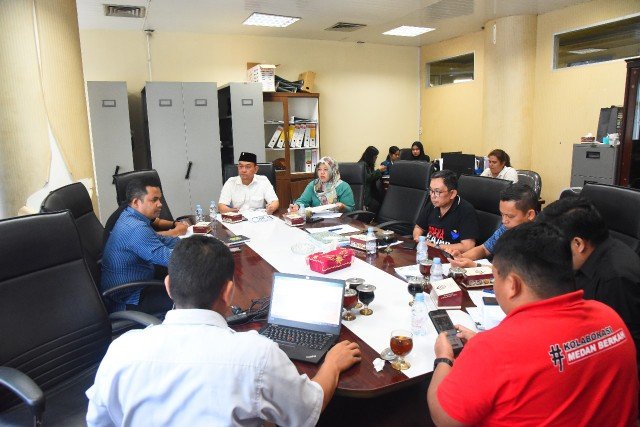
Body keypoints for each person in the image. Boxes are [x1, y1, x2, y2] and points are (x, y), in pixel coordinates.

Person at [87, 236, 362, 426]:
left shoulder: (120, 351)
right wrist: (332, 364)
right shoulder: (257, 355)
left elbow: (99, 421)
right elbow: (306, 412)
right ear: (229, 292)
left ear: (168, 286)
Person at [427, 222, 638, 426]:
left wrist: (444, 358)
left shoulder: (495, 348)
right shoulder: (609, 317)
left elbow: (443, 418)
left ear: (513, 285)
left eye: (495, 277)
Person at [538, 197, 640, 370]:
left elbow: (618, 347)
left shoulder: (614, 278)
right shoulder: (588, 257)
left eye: (553, 246)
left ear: (578, 244)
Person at [101, 178, 178, 312]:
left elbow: (162, 240)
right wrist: (202, 254)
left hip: (139, 281)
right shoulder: (136, 228)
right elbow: (171, 259)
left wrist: (195, 242)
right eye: (154, 200)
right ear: (136, 202)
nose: (160, 204)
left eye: (160, 199)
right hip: (130, 297)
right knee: (190, 296)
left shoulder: (130, 216)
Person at [447, 183, 538, 266]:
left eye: (510, 216)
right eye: (502, 214)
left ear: (530, 215)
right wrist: (461, 258)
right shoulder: (506, 228)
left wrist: (475, 266)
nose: (504, 221)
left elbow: (513, 273)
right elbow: (484, 249)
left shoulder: (539, 239)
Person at [413, 170, 479, 252]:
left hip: (449, 256)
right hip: (427, 252)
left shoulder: (466, 210)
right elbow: (418, 227)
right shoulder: (432, 205)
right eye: (431, 190)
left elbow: (467, 246)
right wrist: (418, 238)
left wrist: (436, 246)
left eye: (437, 191)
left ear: (452, 194)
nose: (433, 196)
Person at [289, 156, 355, 213]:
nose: (322, 172)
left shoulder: (343, 186)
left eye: (326, 169)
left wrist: (342, 207)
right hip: (317, 220)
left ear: (333, 171)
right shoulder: (314, 185)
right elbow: (303, 201)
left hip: (339, 221)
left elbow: (351, 210)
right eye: (319, 169)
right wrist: (297, 206)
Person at [358, 146, 386, 212]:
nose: (376, 158)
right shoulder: (362, 164)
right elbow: (368, 178)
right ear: (370, 156)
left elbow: (372, 176)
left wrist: (380, 172)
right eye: (375, 157)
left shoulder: (369, 164)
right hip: (366, 194)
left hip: (372, 191)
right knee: (378, 203)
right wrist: (379, 170)